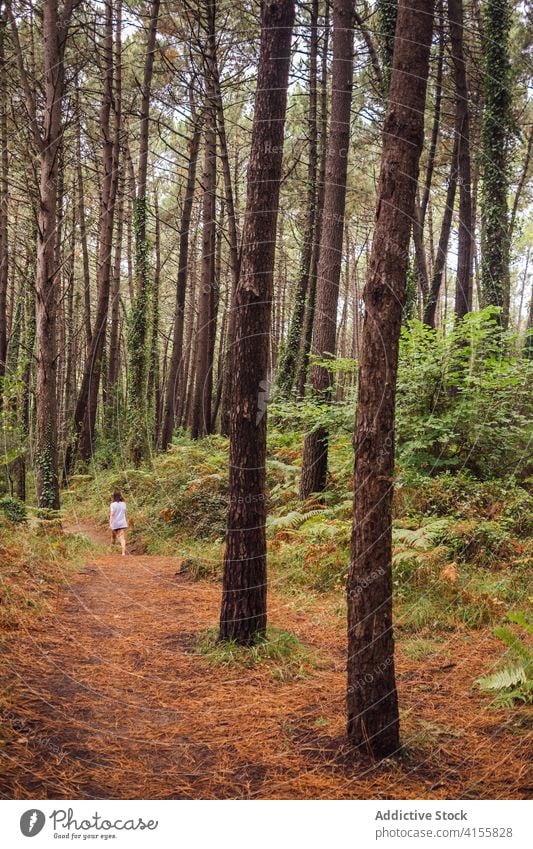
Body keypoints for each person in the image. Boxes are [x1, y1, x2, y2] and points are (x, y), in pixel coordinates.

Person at [109, 490, 128, 556]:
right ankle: (123, 553)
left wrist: (110, 524)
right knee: (122, 538)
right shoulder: (124, 504)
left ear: (114, 496)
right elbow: (125, 513)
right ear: (120, 496)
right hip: (122, 523)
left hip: (115, 523)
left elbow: (111, 515)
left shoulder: (112, 505)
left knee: (113, 537)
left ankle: (111, 549)